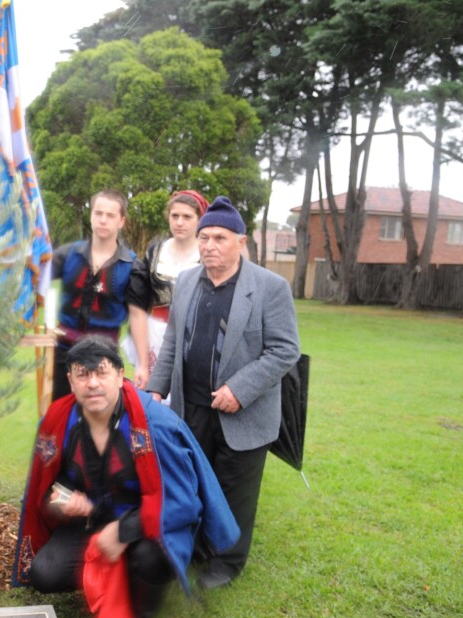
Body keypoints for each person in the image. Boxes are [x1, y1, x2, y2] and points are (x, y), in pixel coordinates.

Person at [13, 336, 238, 618]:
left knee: (152, 558)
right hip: (90, 525)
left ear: (121, 375)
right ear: (70, 381)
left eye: (101, 373)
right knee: (44, 574)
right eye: (82, 374)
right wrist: (66, 500)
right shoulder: (58, 422)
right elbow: (48, 488)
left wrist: (123, 532)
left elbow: (182, 504)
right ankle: (103, 580)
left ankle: (139, 614)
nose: (92, 383)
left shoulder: (156, 425)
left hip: (146, 528)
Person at [147, 196, 300, 589]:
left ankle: (227, 561)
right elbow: (171, 345)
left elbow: (285, 350)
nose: (209, 245)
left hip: (244, 412)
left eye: (219, 237)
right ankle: (197, 547)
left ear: (240, 242)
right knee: (195, 481)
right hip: (191, 406)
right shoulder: (186, 282)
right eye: (204, 237)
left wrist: (239, 388)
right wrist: (155, 390)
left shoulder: (270, 288)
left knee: (235, 490)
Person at [50, 189, 149, 401]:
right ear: (91, 215)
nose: (103, 220)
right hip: (63, 352)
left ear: (121, 221)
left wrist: (143, 364)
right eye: (98, 213)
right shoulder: (67, 255)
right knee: (60, 417)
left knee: (98, 421)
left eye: (110, 215)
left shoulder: (132, 266)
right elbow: (35, 281)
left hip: (104, 356)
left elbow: (137, 315)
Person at [122, 190, 209, 382]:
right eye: (174, 215)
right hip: (155, 335)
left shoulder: (207, 254)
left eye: (187, 217)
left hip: (194, 336)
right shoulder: (155, 251)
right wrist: (143, 362)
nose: (179, 222)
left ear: (200, 219)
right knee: (153, 394)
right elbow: (139, 307)